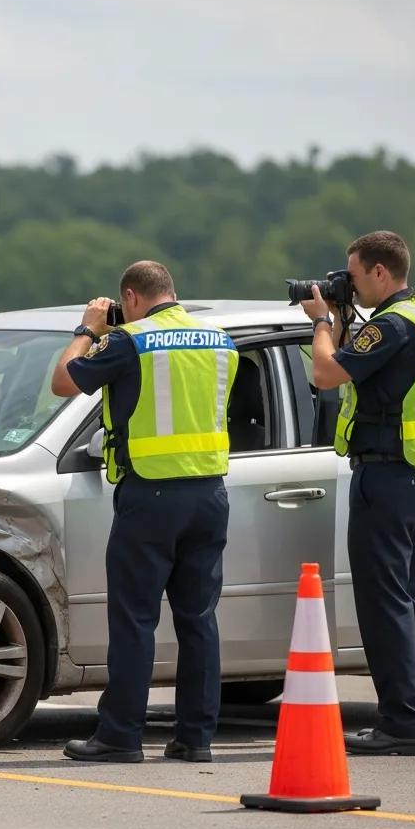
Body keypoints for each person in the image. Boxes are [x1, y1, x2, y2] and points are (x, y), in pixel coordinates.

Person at [51, 261, 238, 763]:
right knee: (198, 619)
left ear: (131, 297)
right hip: (210, 493)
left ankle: (119, 736)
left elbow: (64, 382)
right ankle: (196, 738)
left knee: (135, 619)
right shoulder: (220, 340)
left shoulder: (130, 341)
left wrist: (88, 329)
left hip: (152, 495)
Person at [303, 230, 415, 755]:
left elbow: (325, 372)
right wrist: (339, 316)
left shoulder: (389, 327)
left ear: (381, 272)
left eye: (354, 275)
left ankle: (401, 724)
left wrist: (320, 321)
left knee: (384, 604)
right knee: (405, 600)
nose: (349, 284)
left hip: (386, 475)